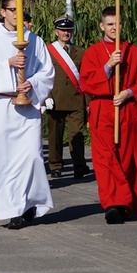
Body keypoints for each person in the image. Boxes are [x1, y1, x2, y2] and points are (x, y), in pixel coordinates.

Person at [0, 0, 55, 230]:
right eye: (12, 10)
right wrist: (7, 65)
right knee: (4, 160)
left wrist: (32, 85)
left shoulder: (35, 40)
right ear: (2, 12)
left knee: (30, 157)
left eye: (20, 11)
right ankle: (13, 209)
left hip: (28, 106)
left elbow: (47, 72)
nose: (16, 15)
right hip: (3, 106)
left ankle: (29, 202)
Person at [80, 7, 137, 224]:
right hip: (102, 110)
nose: (114, 28)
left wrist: (128, 92)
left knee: (125, 159)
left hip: (126, 109)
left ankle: (127, 203)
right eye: (110, 24)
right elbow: (85, 82)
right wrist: (108, 66)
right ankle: (114, 204)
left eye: (118, 24)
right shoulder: (93, 52)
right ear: (102, 26)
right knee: (105, 159)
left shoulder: (133, 51)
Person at [44, 15, 90, 179]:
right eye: (63, 30)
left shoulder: (81, 52)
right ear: (56, 32)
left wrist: (88, 102)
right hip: (55, 100)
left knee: (76, 135)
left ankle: (79, 166)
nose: (66, 33)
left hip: (76, 100)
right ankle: (55, 165)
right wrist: (46, 96)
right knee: (55, 136)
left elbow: (86, 78)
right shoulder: (48, 51)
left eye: (69, 30)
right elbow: (42, 75)